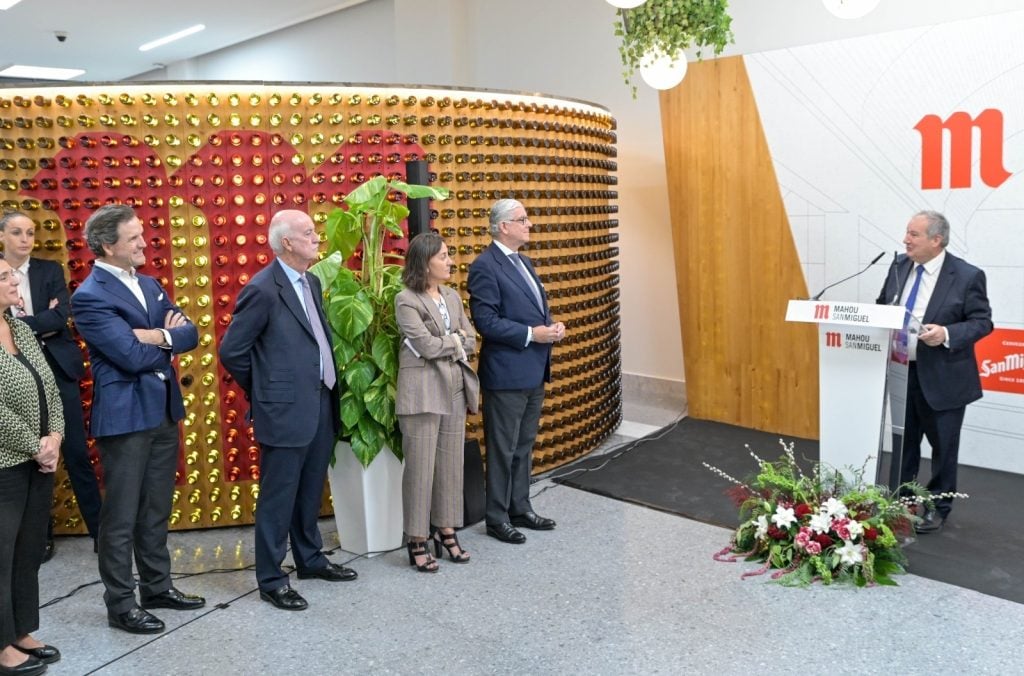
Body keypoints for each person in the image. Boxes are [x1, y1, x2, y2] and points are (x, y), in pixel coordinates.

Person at [71, 205, 205, 634]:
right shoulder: (89, 296)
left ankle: (157, 586)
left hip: (162, 411)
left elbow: (192, 333)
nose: (145, 243)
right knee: (121, 516)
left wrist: (157, 336)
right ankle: (121, 604)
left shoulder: (149, 283)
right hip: (126, 418)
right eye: (134, 238)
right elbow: (126, 356)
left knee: (155, 509)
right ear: (108, 245)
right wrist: (166, 341)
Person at [219, 209, 357, 611]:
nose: (318, 238)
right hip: (283, 409)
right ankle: (271, 578)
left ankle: (310, 559)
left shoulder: (310, 281)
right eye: (309, 233)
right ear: (286, 243)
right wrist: (268, 392)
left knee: (310, 490)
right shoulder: (263, 288)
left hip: (319, 402)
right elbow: (233, 351)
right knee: (278, 497)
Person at [876, 210, 993, 533]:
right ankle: (899, 502)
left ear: (936, 240)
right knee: (904, 444)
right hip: (902, 372)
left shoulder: (967, 276)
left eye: (913, 234)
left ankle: (939, 506)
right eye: (907, 232)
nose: (905, 240)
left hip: (944, 378)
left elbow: (982, 322)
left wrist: (947, 334)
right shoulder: (899, 266)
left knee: (943, 448)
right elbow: (883, 304)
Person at [0, 212, 101, 562]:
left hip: (56, 370)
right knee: (29, 460)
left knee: (75, 453)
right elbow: (29, 322)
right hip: (13, 378)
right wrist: (40, 321)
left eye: (30, 232)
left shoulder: (48, 270)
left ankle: (101, 533)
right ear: (3, 236)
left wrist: (25, 322)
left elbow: (61, 317)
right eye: (16, 232)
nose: (25, 239)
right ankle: (37, 540)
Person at [467, 199, 565, 544]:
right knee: (502, 447)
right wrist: (531, 334)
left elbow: (531, 311)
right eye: (522, 219)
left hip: (533, 369)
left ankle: (519, 507)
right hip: (506, 373)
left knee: (524, 445)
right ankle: (496, 517)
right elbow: (487, 322)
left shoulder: (524, 262)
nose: (529, 224)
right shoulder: (485, 266)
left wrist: (550, 327)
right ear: (503, 226)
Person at [395, 232, 481, 571]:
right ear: (424, 262)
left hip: (453, 387)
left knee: (449, 466)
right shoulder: (406, 299)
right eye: (443, 256)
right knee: (420, 469)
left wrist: (452, 341)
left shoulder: (452, 296)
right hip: (421, 392)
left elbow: (471, 339)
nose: (450, 262)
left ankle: (447, 530)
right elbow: (427, 347)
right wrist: (454, 341)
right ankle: (417, 538)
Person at [0, 252, 64, 675]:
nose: (12, 281)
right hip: (7, 461)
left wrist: (55, 437)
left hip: (38, 460)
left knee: (27, 551)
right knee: (1, 555)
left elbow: (51, 390)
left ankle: (21, 629)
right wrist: (34, 445)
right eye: (4, 276)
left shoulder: (20, 328)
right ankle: (1, 646)